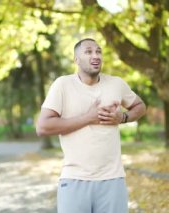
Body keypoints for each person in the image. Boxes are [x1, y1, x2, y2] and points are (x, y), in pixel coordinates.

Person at [36, 38, 146, 213]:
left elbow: (140, 106)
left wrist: (123, 117)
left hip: (113, 179)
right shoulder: (62, 85)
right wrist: (87, 118)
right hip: (74, 180)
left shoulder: (116, 83)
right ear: (76, 60)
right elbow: (43, 127)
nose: (95, 56)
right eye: (88, 52)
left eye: (98, 51)